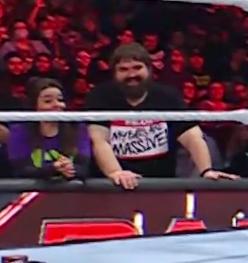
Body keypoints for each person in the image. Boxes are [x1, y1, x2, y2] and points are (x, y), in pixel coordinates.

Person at [85, 44, 234, 189]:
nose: (131, 75)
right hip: (111, 186)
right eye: (123, 69)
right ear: (114, 73)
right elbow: (99, 140)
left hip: (160, 184)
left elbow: (192, 136)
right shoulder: (100, 96)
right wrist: (116, 173)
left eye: (137, 67)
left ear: (149, 69)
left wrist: (206, 170)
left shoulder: (168, 96)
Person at [6, 76, 89, 181]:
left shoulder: (77, 128)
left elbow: (84, 168)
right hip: (31, 189)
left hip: (70, 189)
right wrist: (52, 169)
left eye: (60, 100)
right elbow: (21, 170)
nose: (57, 105)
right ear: (34, 106)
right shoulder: (19, 130)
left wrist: (71, 169)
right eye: (48, 101)